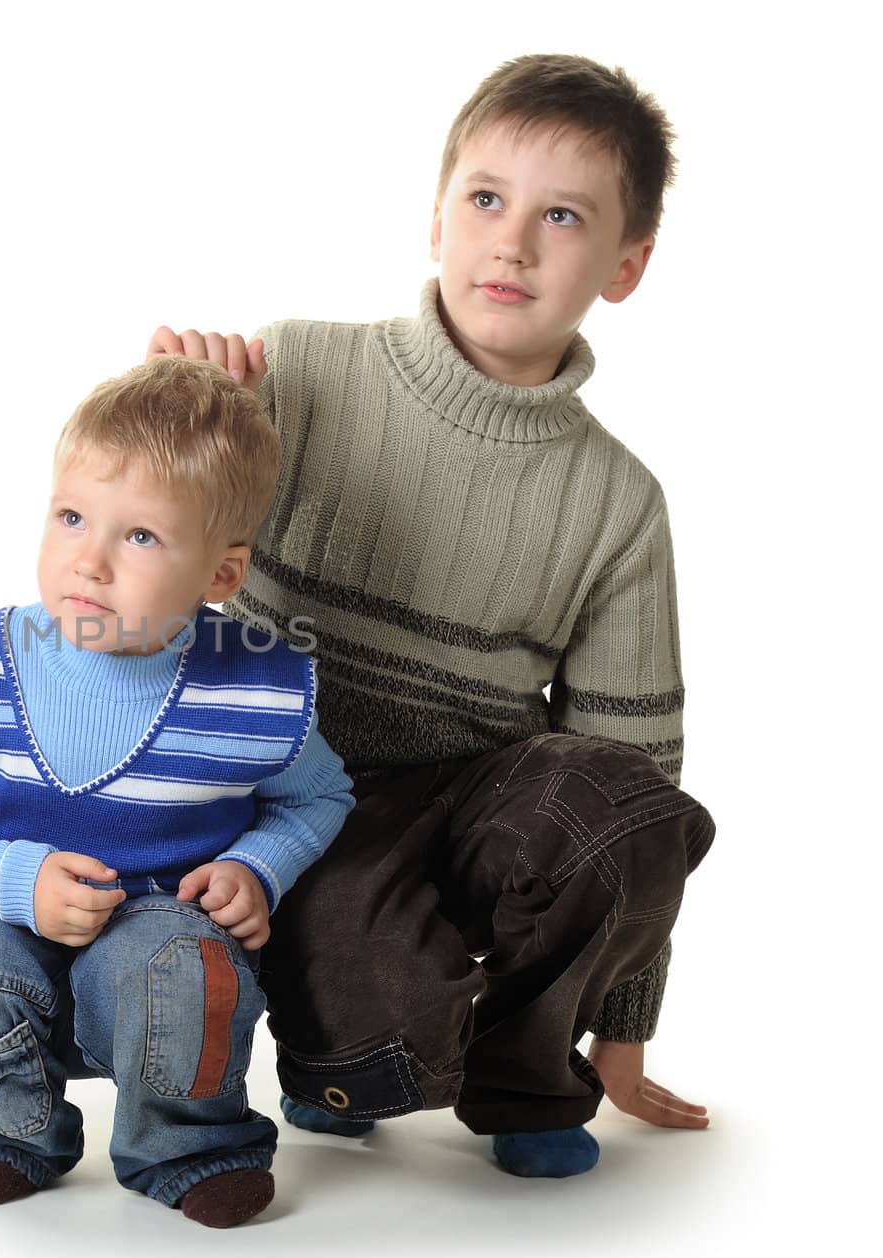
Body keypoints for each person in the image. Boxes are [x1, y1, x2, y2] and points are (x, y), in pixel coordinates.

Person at [144, 53, 715, 1179]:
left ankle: (527, 1071)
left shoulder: (617, 504)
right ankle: (342, 1049)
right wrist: (180, 400)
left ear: (626, 263)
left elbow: (632, 789)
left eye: (563, 216)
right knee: (371, 986)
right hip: (282, 797)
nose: (511, 243)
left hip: (457, 816)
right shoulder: (301, 372)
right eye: (487, 199)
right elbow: (135, 537)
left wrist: (626, 1024)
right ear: (437, 217)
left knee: (626, 796)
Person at [0, 356, 356, 1227]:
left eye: (139, 537)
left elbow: (317, 798)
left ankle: (186, 1143)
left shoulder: (249, 690)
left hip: (157, 920)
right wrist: (13, 882)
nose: (88, 559)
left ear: (221, 576)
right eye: (72, 516)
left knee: (193, 971)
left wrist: (256, 866)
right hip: (0, 917)